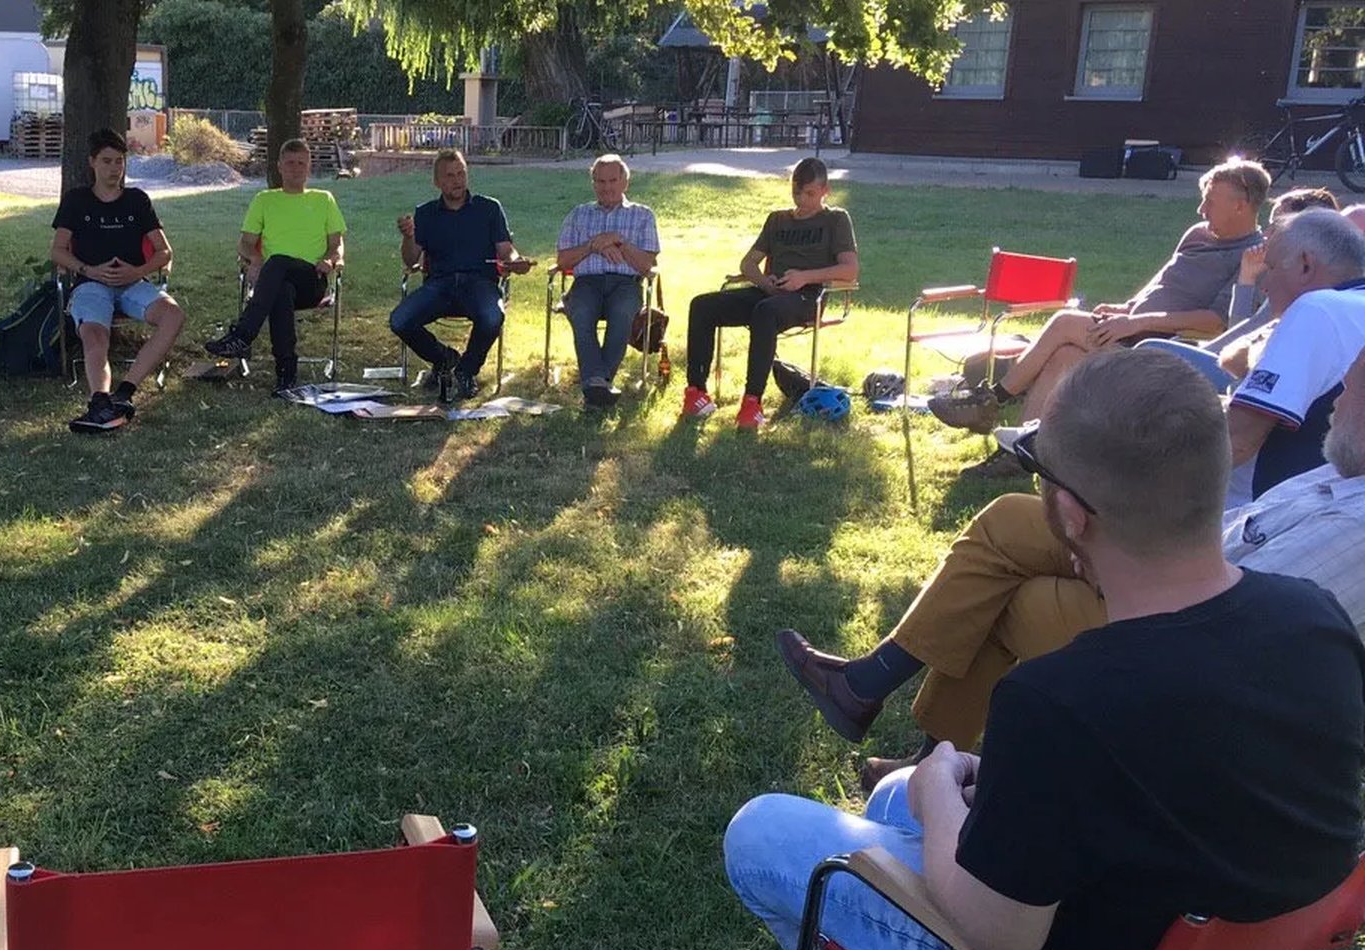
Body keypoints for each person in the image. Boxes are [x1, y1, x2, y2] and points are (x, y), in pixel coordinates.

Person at [730, 347, 1365, 950]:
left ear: (1067, 513)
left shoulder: (1060, 699)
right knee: (890, 794)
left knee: (766, 831)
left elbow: (1002, 938)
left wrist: (943, 804)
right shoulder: (1315, 619)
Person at [780, 343, 1365, 788]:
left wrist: (1119, 562)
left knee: (1011, 596)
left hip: (1179, 633)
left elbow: (1242, 626)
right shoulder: (1343, 472)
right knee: (1012, 518)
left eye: (1355, 385)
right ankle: (880, 699)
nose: (1337, 395)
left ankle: (923, 744)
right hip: (1176, 556)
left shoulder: (1354, 531)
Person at [933, 159, 1268, 476]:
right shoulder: (1198, 234)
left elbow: (1216, 322)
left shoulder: (1253, 256)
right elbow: (1162, 284)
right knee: (1064, 355)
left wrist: (1137, 322)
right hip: (1129, 331)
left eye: (1210, 201)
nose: (1201, 209)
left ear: (1241, 205)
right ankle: (1019, 453)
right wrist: (1126, 309)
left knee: (1065, 322)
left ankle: (992, 401)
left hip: (1161, 352)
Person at [681, 157, 858, 431]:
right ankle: (696, 392)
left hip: (807, 296)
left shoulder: (835, 220)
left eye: (810, 193)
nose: (802, 200)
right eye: (797, 192)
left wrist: (803, 277)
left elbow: (850, 270)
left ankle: (752, 403)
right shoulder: (777, 220)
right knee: (702, 305)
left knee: (765, 312)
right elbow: (748, 264)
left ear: (826, 190)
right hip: (770, 291)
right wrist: (765, 283)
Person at [1220, 208, 1365, 506]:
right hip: (1338, 513)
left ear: (1305, 266)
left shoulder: (1319, 309)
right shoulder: (1350, 307)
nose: (1264, 285)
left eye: (1270, 268)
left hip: (1259, 519)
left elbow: (1237, 441)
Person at [1135, 185, 1341, 390]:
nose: (1267, 232)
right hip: (1221, 359)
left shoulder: (1302, 288)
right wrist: (1247, 279)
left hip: (1244, 376)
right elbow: (1239, 331)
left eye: (1277, 225)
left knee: (1147, 354)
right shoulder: (1290, 277)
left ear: (1305, 234)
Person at [50, 128, 186, 434]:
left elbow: (164, 252)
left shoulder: (137, 200)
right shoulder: (77, 201)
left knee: (174, 315)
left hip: (132, 283)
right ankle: (99, 401)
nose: (114, 169)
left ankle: (124, 393)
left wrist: (136, 271)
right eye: (107, 161)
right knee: (95, 335)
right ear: (92, 163)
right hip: (91, 283)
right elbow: (57, 251)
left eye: (120, 162)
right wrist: (88, 270)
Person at [204, 139, 346, 395]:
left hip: (312, 279)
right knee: (281, 290)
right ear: (279, 166)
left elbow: (337, 244)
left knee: (278, 261)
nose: (295, 168)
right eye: (289, 163)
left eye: (301, 163)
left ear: (309, 167)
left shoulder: (324, 199)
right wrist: (255, 260)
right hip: (275, 283)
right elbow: (245, 244)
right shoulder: (264, 200)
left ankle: (243, 335)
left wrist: (331, 259)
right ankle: (286, 373)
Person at [390, 149, 534, 403]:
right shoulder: (425, 212)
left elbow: (505, 249)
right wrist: (409, 236)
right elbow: (411, 260)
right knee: (400, 320)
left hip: (479, 284)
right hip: (439, 285)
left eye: (461, 174)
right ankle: (444, 358)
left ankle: (466, 371)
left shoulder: (488, 208)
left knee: (492, 316)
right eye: (449, 176)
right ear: (437, 182)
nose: (457, 181)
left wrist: (514, 262)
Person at [555, 154, 660, 410]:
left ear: (625, 182)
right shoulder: (579, 214)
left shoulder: (642, 215)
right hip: (587, 282)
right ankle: (599, 386)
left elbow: (647, 265)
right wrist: (593, 245)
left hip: (625, 282)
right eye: (600, 181)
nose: (606, 187)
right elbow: (563, 260)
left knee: (623, 313)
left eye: (613, 180)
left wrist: (618, 241)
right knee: (579, 312)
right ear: (593, 184)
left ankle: (595, 384)